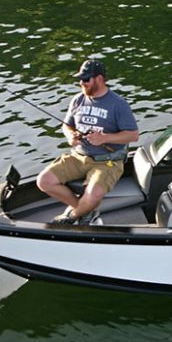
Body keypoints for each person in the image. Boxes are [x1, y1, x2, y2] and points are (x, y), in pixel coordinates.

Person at [37, 59, 140, 225]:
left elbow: (133, 135)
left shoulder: (118, 104)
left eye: (86, 79)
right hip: (78, 156)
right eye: (80, 79)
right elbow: (66, 125)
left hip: (108, 161)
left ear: (99, 79)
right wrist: (71, 136)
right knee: (44, 181)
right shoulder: (78, 100)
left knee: (93, 195)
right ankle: (87, 212)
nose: (81, 83)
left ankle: (70, 217)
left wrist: (105, 138)